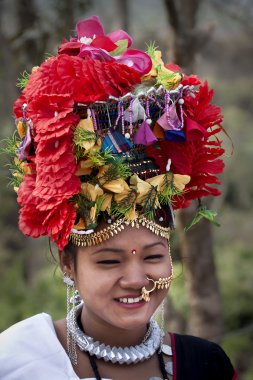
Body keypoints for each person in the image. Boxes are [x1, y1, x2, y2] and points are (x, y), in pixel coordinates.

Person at [0, 15, 237, 380]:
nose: (135, 278)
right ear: (68, 265)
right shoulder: (19, 362)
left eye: (154, 256)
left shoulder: (204, 365)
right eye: (109, 262)